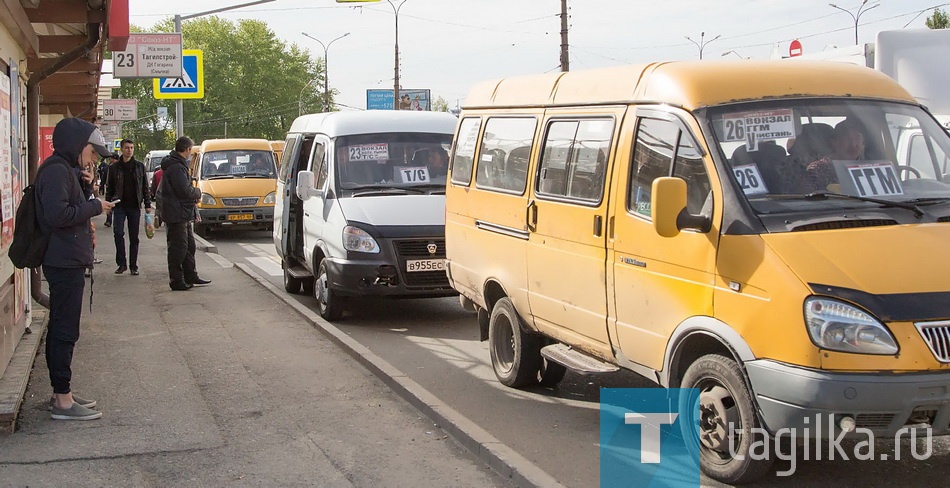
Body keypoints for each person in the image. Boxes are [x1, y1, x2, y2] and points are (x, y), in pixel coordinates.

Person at [34, 118, 115, 421]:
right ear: (76, 146)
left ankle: (61, 392)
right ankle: (63, 402)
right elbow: (59, 214)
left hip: (66, 259)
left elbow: (66, 207)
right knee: (65, 331)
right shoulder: (56, 171)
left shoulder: (62, 171)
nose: (93, 159)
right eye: (92, 152)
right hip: (63, 261)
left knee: (63, 328)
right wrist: (96, 206)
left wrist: (85, 186)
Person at [158, 136, 211, 291]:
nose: (190, 153)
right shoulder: (176, 167)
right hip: (177, 213)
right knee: (178, 248)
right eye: (190, 150)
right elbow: (184, 190)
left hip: (182, 212)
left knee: (189, 246)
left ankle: (190, 275)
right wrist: (198, 192)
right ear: (187, 149)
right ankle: (176, 280)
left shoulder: (177, 165)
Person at [105, 139, 151, 275]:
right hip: (119, 205)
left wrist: (147, 204)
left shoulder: (139, 166)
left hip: (134, 206)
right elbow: (110, 188)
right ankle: (121, 263)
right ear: (121, 150)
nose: (129, 150)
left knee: (134, 237)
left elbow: (145, 187)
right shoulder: (114, 168)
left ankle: (133, 265)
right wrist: (108, 205)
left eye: (131, 147)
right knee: (118, 233)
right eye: (126, 148)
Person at [806, 119, 866, 192]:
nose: (853, 145)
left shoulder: (871, 167)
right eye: (847, 138)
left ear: (863, 142)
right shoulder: (817, 170)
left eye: (857, 137)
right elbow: (813, 200)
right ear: (834, 142)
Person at [97, 156, 113, 227]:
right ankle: (108, 220)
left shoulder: (121, 168)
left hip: (119, 191)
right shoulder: (108, 167)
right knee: (109, 205)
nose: (110, 160)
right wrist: (101, 187)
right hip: (110, 189)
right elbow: (104, 178)